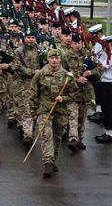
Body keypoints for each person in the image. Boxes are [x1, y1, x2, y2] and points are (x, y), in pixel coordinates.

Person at [29, 49, 76, 178]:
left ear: (60, 59)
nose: (54, 60)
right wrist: (34, 111)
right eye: (52, 58)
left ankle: (53, 158)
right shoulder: (40, 74)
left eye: (57, 58)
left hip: (60, 110)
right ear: (47, 59)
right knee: (46, 134)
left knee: (57, 136)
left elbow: (74, 93)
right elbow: (33, 94)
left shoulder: (67, 76)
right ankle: (47, 162)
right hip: (44, 108)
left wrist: (64, 98)